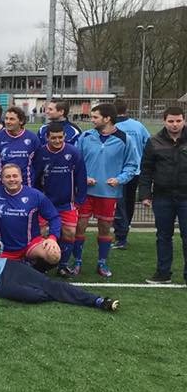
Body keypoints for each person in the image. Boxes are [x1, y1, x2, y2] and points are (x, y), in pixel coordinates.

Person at [74, 103, 140, 278]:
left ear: (107, 118)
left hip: (108, 194)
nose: (92, 120)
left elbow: (132, 165)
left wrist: (119, 179)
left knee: (104, 228)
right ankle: (77, 262)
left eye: (95, 117)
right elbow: (76, 162)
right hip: (85, 192)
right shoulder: (85, 136)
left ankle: (102, 263)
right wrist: (82, 178)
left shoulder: (125, 139)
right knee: (79, 226)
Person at [0, 163, 61, 270]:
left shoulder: (35, 195)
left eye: (15, 176)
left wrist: (52, 238)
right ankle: (14, 266)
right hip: (1, 247)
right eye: (7, 176)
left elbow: (54, 217)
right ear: (2, 180)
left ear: (21, 178)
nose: (12, 179)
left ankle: (34, 269)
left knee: (53, 254)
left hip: (30, 244)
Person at [138, 105, 187, 284]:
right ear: (164, 121)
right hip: (162, 197)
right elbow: (146, 170)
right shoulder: (153, 142)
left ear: (184, 120)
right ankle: (163, 273)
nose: (175, 124)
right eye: (171, 121)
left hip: (185, 197)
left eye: (178, 121)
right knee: (163, 236)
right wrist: (145, 194)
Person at [32, 121, 87, 277]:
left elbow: (81, 177)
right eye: (53, 138)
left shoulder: (73, 152)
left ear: (64, 136)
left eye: (60, 137)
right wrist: (37, 198)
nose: (57, 141)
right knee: (42, 233)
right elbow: (35, 178)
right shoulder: (40, 153)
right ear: (47, 137)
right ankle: (41, 265)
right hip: (45, 203)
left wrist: (79, 199)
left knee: (69, 233)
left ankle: (62, 265)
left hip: (66, 203)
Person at [111, 99, 150, 249]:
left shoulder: (112, 127)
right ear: (126, 109)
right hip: (136, 171)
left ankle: (121, 236)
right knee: (129, 202)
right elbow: (149, 144)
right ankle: (124, 231)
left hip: (118, 172)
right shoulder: (138, 125)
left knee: (119, 204)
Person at [0, 106, 40, 185]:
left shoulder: (32, 138)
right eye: (6, 118)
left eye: (12, 119)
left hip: (26, 185)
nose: (8, 122)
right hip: (1, 185)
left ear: (21, 121)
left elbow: (37, 163)